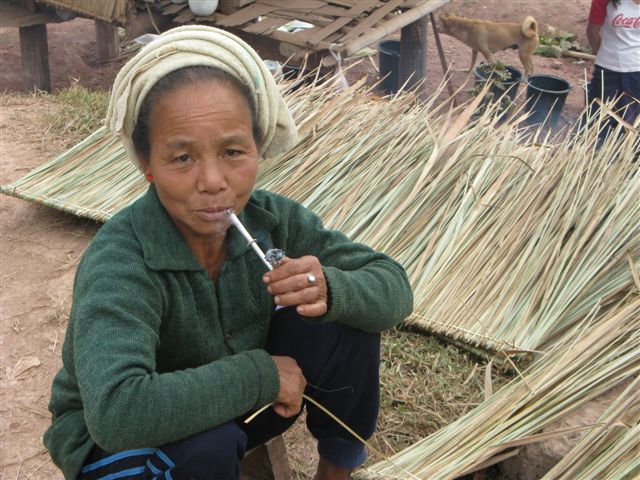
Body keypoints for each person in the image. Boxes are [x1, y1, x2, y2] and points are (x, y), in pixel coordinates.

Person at [43, 26, 413, 480]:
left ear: (259, 147)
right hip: (120, 448)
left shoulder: (271, 220)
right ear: (147, 164)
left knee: (343, 321)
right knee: (206, 448)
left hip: (235, 410)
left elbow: (393, 287)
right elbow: (118, 412)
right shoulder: (123, 260)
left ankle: (336, 473)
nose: (214, 181)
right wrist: (260, 376)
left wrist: (330, 289)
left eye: (233, 151)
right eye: (182, 158)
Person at [585, 0, 640, 137]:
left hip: (637, 72)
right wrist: (602, 55)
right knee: (598, 121)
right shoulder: (604, 1)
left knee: (631, 124)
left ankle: (626, 157)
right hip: (607, 70)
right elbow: (592, 30)